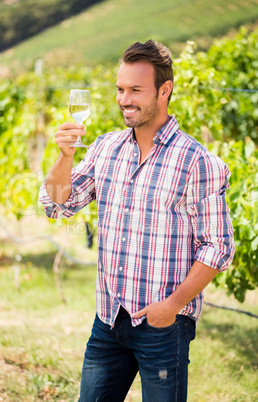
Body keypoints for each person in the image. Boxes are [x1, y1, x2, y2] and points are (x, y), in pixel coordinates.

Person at [39, 40, 235, 402]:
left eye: (135, 90)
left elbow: (218, 247)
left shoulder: (197, 162)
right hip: (109, 320)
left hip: (163, 326)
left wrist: (172, 306)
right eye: (119, 89)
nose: (124, 99)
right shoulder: (105, 148)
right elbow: (57, 205)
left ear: (165, 90)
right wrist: (64, 156)